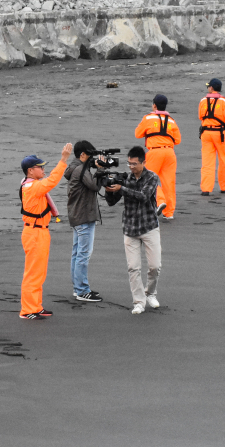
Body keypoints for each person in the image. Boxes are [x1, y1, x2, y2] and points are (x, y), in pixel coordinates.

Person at [18, 144, 74, 320]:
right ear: (30, 170)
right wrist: (63, 159)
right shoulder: (33, 187)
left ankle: (35, 306)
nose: (43, 169)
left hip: (39, 232)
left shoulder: (30, 184)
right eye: (39, 167)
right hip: (34, 233)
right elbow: (53, 180)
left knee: (39, 272)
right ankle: (27, 310)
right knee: (33, 273)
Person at [105, 146, 162, 315]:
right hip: (130, 228)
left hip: (149, 226)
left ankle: (150, 293)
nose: (131, 167)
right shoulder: (125, 179)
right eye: (129, 163)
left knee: (155, 266)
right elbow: (111, 202)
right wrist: (108, 189)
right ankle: (139, 302)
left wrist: (121, 189)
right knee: (133, 268)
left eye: (134, 164)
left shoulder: (152, 177)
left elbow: (144, 196)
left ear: (143, 162)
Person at [65, 140, 107, 302]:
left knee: (77, 254)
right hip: (83, 216)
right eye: (90, 154)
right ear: (82, 155)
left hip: (77, 216)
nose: (92, 158)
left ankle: (78, 288)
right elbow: (95, 186)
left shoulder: (75, 168)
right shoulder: (80, 169)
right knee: (83, 254)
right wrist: (101, 169)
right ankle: (82, 290)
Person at [134, 94, 180, 219]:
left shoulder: (148, 118)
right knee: (169, 182)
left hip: (154, 152)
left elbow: (138, 134)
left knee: (146, 179)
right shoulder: (171, 120)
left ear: (154, 105)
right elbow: (178, 140)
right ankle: (169, 213)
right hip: (170, 153)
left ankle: (160, 201)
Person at [198, 78, 225, 195]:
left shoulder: (203, 101)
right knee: (224, 160)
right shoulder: (224, 101)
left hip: (206, 134)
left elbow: (200, 116)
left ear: (211, 88)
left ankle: (206, 188)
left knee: (207, 162)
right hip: (220, 134)